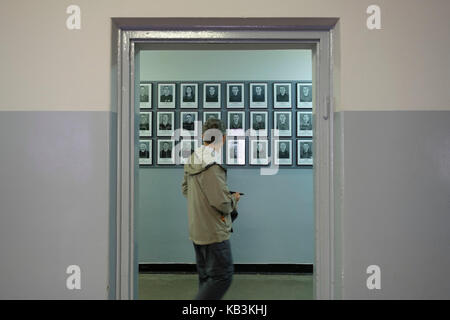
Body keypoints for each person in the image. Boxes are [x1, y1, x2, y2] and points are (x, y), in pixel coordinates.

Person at [182, 118, 241, 300]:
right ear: (222, 138)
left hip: (197, 229)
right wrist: (233, 199)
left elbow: (186, 190)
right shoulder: (212, 165)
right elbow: (221, 203)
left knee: (207, 278)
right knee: (222, 277)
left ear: (202, 137)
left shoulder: (193, 158)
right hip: (213, 232)